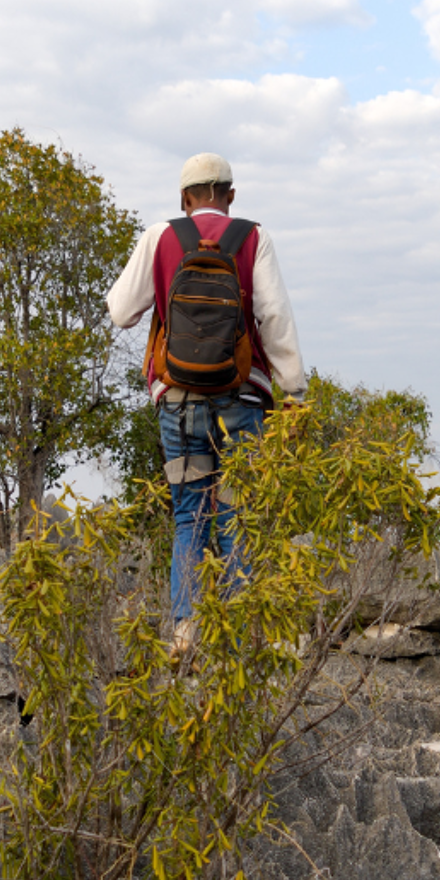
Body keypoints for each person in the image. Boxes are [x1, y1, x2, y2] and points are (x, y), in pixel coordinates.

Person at [105, 153, 307, 653]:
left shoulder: (160, 237)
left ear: (184, 199)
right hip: (243, 396)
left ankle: (185, 631)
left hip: (178, 399)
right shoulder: (253, 237)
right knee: (240, 513)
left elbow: (120, 311)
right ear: (230, 196)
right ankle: (241, 635)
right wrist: (294, 389)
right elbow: (274, 316)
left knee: (189, 512)